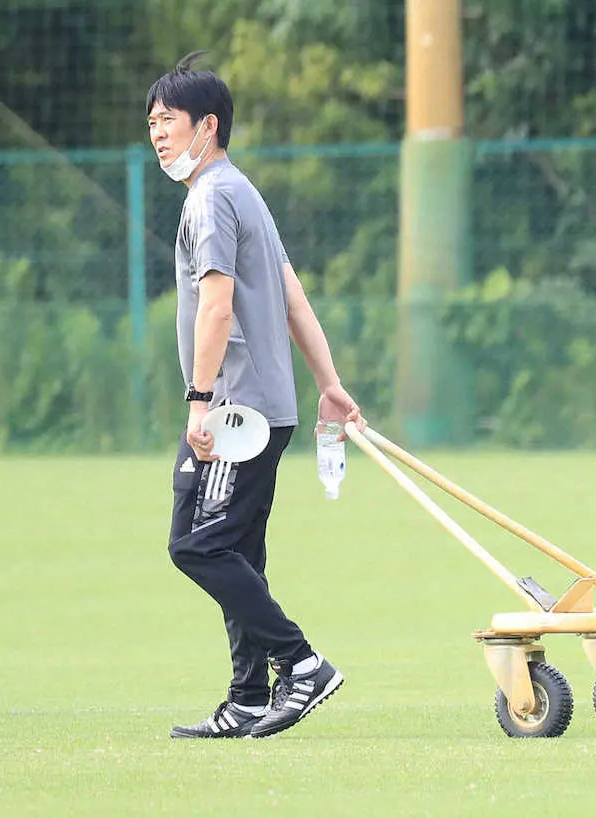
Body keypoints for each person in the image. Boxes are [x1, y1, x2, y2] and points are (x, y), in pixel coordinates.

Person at [146, 51, 364, 739]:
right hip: (267, 407)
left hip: (235, 410)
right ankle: (246, 697)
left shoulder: (213, 196)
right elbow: (294, 299)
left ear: (207, 126)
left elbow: (218, 304)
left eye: (169, 121)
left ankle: (301, 664)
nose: (157, 134)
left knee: (199, 547)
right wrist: (328, 386)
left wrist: (198, 400)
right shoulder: (244, 192)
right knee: (235, 549)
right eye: (150, 122)